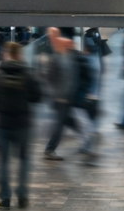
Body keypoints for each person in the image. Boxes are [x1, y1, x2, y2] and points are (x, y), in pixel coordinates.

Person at [0, 40, 42, 209]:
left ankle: (5, 198)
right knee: (23, 160)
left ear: (7, 53)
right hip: (23, 123)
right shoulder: (28, 72)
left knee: (3, 162)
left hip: (3, 123)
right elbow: (37, 96)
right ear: (19, 54)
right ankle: (22, 197)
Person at [43, 28, 80, 160]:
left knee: (67, 120)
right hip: (60, 97)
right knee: (60, 123)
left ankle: (87, 139)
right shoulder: (56, 57)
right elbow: (50, 78)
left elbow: (74, 74)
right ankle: (50, 149)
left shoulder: (69, 54)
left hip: (68, 95)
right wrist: (57, 94)